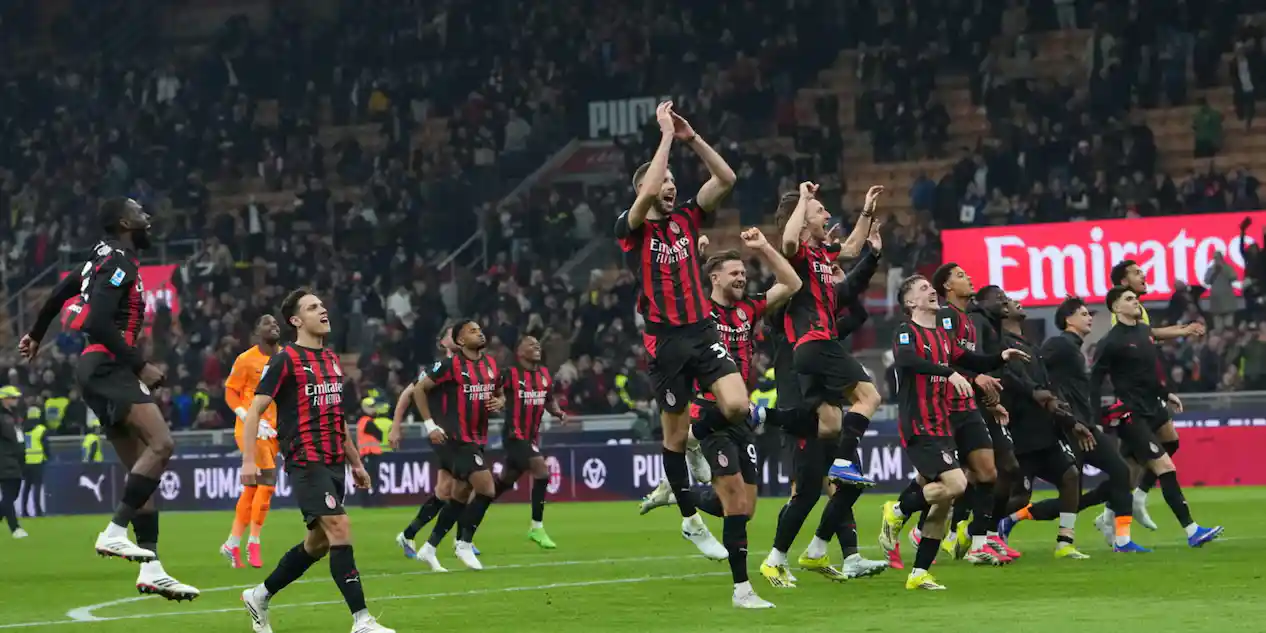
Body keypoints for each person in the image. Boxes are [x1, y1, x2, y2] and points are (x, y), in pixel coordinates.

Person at [18, 197, 198, 601]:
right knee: (163, 444)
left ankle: (152, 568)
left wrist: (35, 333)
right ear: (123, 222)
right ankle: (115, 532)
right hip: (109, 367)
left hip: (95, 370)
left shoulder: (97, 258)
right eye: (139, 213)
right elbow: (98, 321)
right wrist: (140, 366)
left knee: (143, 472)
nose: (147, 219)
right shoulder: (119, 262)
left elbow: (59, 293)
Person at [614, 101, 742, 560]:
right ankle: (690, 519)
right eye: (663, 183)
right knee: (671, 438)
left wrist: (692, 140)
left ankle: (693, 445)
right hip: (665, 342)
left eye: (672, 182)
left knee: (737, 405)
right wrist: (664, 137)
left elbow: (726, 180)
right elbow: (645, 192)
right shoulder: (631, 229)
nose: (670, 188)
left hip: (702, 330)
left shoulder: (688, 218)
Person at [648, 227, 801, 606]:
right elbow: (675, 293)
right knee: (734, 502)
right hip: (709, 408)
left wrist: (764, 247)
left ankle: (682, 492)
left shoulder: (750, 308)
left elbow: (792, 282)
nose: (741, 278)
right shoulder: (700, 312)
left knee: (743, 509)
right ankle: (742, 590)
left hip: (740, 418)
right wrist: (697, 258)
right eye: (734, 273)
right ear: (714, 278)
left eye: (743, 274)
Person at [239, 289, 393, 633]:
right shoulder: (285, 360)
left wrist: (355, 462)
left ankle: (259, 595)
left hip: (334, 460)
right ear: (296, 321)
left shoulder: (332, 359)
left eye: (322, 305)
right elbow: (254, 413)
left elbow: (337, 418)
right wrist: (249, 461)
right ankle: (362, 620)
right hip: (305, 460)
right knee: (341, 527)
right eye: (312, 307)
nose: (322, 310)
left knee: (318, 543)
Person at [758, 221, 890, 587]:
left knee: (845, 486)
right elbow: (794, 264)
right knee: (806, 491)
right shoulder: (785, 304)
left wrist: (867, 258)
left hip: (824, 393)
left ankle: (831, 553)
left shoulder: (824, 313)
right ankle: (775, 560)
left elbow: (854, 307)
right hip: (801, 398)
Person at [879, 275, 1028, 590]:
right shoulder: (907, 332)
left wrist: (1000, 358)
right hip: (918, 423)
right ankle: (898, 509)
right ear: (909, 303)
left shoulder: (944, 337)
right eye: (922, 289)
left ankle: (919, 573)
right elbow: (907, 361)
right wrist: (948, 373)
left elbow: (971, 360)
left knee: (943, 503)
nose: (931, 291)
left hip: (941, 422)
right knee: (957, 484)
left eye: (930, 287)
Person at [999, 296, 1147, 552]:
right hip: (1070, 428)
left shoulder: (1073, 348)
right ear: (1068, 319)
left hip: (1084, 425)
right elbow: (1036, 367)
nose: (1090, 317)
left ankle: (1121, 539)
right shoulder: (1059, 344)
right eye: (1083, 313)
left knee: (1116, 475)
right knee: (1079, 488)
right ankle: (1009, 520)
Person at [1090, 286, 1223, 549]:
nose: (1135, 301)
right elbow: (1093, 381)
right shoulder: (1111, 341)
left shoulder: (1143, 333)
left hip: (1153, 406)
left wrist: (1167, 393)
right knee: (1165, 468)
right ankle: (1192, 530)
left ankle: (1114, 519)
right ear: (1116, 308)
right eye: (1129, 299)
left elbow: (1149, 374)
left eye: (1135, 298)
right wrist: (1095, 418)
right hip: (1132, 414)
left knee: (1142, 463)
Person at [774, 181, 885, 487]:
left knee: (829, 424)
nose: (827, 215)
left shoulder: (823, 254)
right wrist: (804, 199)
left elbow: (851, 247)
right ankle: (842, 463)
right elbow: (788, 243)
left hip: (816, 347)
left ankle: (771, 422)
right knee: (870, 397)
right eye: (820, 210)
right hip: (814, 340)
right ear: (805, 219)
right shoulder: (797, 258)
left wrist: (865, 210)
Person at [993, 297, 1094, 559]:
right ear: (1003, 313)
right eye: (1010, 302)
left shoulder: (1031, 344)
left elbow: (1046, 386)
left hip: (1046, 429)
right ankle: (975, 531)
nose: (1018, 304)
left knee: (1070, 476)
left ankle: (1065, 541)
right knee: (1019, 498)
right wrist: (1042, 397)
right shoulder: (1002, 344)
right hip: (1021, 431)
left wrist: (1070, 420)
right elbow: (1022, 384)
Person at [1108, 260, 1206, 529]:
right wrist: (1183, 330)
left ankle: (1135, 499)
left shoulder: (1137, 310)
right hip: (1136, 400)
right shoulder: (1123, 314)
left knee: (1166, 445)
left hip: (1151, 394)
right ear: (1124, 283)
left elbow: (1149, 338)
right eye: (1137, 273)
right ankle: (1111, 515)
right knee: (1130, 467)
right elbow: (1147, 338)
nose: (1144, 275)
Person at [407, 319, 505, 571]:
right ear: (460, 341)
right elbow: (419, 389)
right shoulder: (449, 365)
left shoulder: (491, 364)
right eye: (472, 331)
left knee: (459, 495)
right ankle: (464, 542)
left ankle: (429, 548)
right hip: (455, 438)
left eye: (480, 329)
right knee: (486, 488)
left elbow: (500, 390)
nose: (479, 333)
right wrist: (430, 425)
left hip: (478, 437)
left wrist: (500, 401)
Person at [392, 324, 483, 561]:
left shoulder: (473, 367)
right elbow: (408, 393)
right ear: (445, 342)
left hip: (462, 434)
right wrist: (396, 426)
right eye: (451, 333)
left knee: (445, 492)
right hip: (444, 435)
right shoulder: (438, 368)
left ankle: (410, 534)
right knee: (470, 481)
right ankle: (461, 539)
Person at [221, 314, 283, 569]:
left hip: (274, 431)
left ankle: (231, 542)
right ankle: (253, 542)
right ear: (258, 332)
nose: (274, 326)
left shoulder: (286, 358)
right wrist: (247, 416)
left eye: (276, 323)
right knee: (267, 483)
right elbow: (230, 391)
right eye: (267, 323)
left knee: (253, 489)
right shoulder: (246, 360)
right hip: (250, 429)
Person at [493, 335, 565, 549]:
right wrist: (498, 400)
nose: (537, 346)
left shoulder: (544, 375)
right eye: (530, 344)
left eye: (538, 344)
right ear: (519, 352)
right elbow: (493, 391)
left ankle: (468, 515)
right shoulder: (509, 374)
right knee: (541, 471)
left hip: (531, 436)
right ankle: (536, 527)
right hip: (514, 435)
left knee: (499, 485)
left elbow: (549, 400)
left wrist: (558, 412)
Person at [0, 386, 28, 539]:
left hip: (14, 460)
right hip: (5, 460)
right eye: (13, 397)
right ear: (4, 399)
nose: (16, 400)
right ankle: (15, 528)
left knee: (12, 495)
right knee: (9, 495)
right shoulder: (2, 417)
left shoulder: (14, 416)